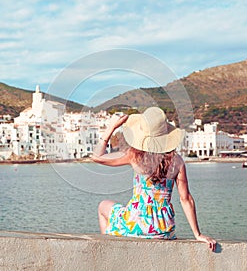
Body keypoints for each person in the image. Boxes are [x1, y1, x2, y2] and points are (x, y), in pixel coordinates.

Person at [92, 107, 216, 251]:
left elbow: (96, 156)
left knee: (103, 206)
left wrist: (111, 127)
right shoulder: (177, 161)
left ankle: (107, 251)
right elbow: (186, 199)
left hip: (136, 224)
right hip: (163, 229)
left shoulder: (134, 156)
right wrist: (197, 234)